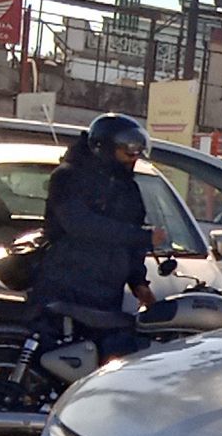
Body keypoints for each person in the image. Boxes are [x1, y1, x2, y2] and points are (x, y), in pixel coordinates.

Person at [31, 114, 165, 328]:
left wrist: (139, 282)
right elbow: (81, 224)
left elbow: (131, 239)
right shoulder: (68, 177)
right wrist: (143, 236)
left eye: (137, 153)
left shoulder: (128, 188)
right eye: (127, 152)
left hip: (107, 291)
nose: (133, 158)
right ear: (104, 148)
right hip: (66, 284)